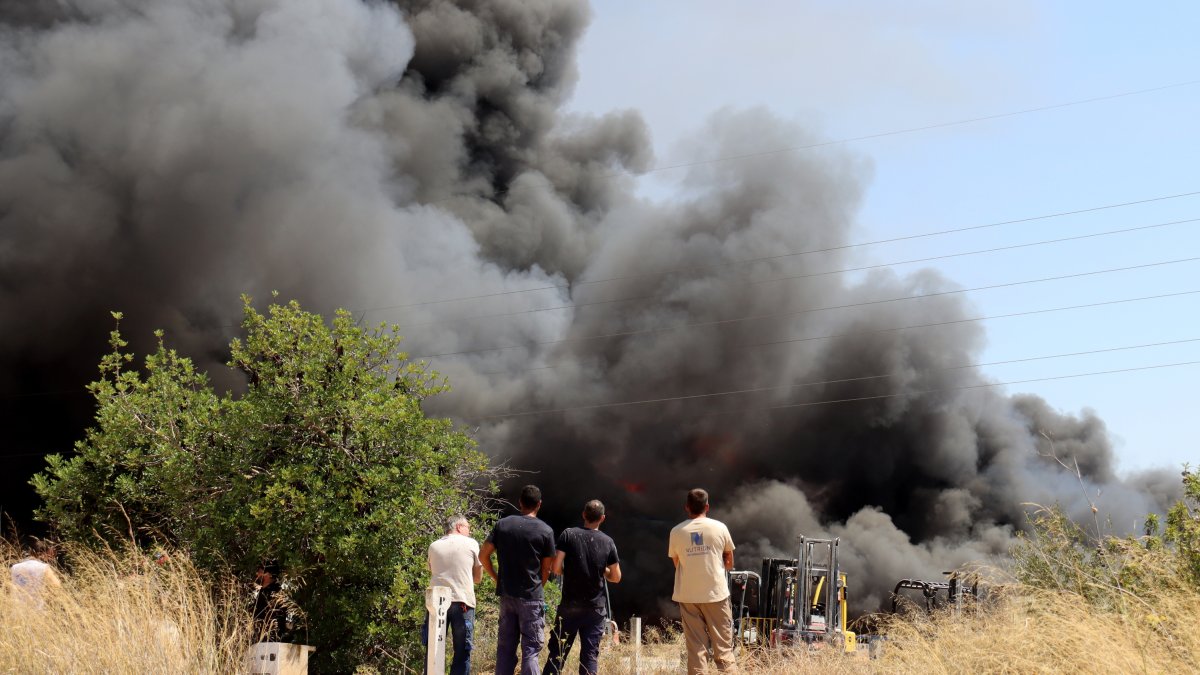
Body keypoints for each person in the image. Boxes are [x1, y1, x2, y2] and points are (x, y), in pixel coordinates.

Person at [480, 485, 556, 675]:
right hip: (531, 598)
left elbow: (483, 556)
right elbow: (547, 568)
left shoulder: (503, 525)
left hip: (507, 596)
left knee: (505, 649)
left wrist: (496, 578)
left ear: (519, 502)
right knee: (530, 650)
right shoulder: (545, 531)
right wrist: (539, 586)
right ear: (539, 504)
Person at [543, 499, 621, 675]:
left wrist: (571, 571)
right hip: (595, 610)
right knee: (589, 657)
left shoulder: (568, 535)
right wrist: (603, 570)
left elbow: (555, 567)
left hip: (569, 607)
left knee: (558, 654)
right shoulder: (608, 542)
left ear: (583, 515)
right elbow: (616, 577)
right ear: (602, 518)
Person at [668, 488, 736, 675]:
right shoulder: (720, 528)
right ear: (707, 506)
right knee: (724, 649)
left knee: (696, 650)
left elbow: (677, 562)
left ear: (686, 507)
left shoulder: (676, 531)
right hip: (716, 594)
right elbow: (729, 561)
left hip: (688, 596)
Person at [426, 515, 483, 675]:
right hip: (462, 601)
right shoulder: (472, 543)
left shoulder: (434, 546)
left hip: (436, 602)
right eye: (467, 527)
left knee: (433, 651)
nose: (469, 530)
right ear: (459, 527)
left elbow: (432, 571)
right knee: (462, 652)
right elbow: (478, 578)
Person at [9, 539, 61, 607]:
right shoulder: (44, 567)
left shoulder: (14, 567)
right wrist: (46, 594)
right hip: (36, 611)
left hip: (17, 611)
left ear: (30, 552)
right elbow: (56, 585)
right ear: (44, 553)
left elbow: (7, 587)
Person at [253, 560, 286, 642]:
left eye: (259, 571)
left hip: (269, 641)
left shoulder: (275, 593)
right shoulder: (264, 591)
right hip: (261, 639)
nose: (257, 574)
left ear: (268, 574)